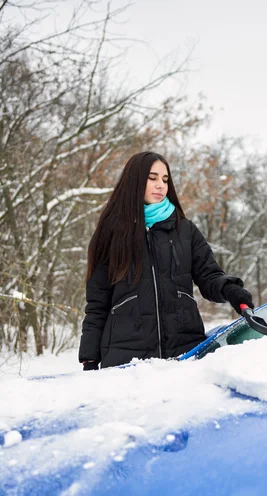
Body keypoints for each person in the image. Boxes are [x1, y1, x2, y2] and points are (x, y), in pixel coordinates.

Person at [79, 151, 254, 370]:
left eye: (165, 179)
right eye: (152, 178)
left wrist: (231, 291)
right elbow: (97, 304)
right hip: (126, 362)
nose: (161, 185)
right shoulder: (111, 233)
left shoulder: (185, 230)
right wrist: (89, 358)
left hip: (184, 354)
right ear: (134, 180)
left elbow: (209, 275)